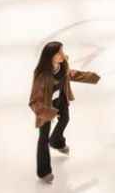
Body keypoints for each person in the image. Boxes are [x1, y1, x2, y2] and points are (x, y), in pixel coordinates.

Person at [29, 41, 100, 183]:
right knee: (43, 137)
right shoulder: (41, 75)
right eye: (59, 53)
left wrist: (93, 77)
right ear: (50, 56)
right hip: (45, 107)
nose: (62, 54)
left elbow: (72, 74)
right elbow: (34, 102)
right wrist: (49, 113)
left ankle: (56, 141)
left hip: (61, 99)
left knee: (65, 119)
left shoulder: (63, 66)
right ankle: (43, 172)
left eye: (62, 51)